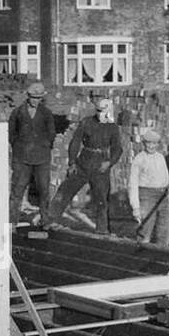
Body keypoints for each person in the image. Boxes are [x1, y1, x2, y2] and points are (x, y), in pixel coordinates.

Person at [46, 97, 124, 234]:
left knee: (102, 200)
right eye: (98, 111)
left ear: (109, 111)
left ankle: (102, 230)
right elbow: (75, 143)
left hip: (101, 166)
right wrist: (71, 163)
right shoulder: (87, 122)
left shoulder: (112, 127)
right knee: (64, 191)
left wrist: (110, 162)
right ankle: (49, 220)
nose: (101, 114)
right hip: (83, 162)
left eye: (104, 111)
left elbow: (118, 149)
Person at [7, 81, 55, 226]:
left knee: (44, 190)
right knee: (17, 190)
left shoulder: (46, 113)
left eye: (39, 98)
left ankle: (45, 220)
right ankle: (12, 221)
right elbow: (11, 133)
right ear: (28, 97)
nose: (36, 100)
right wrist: (18, 147)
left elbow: (51, 133)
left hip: (41, 158)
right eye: (33, 97)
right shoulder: (18, 112)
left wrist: (45, 145)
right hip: (22, 158)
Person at [129, 128, 169, 245]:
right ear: (144, 144)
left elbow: (166, 179)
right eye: (148, 143)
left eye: (154, 143)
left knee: (163, 230)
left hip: (163, 196)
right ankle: (141, 255)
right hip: (147, 195)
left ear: (158, 144)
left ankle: (163, 256)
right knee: (145, 229)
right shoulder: (139, 159)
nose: (151, 146)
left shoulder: (161, 157)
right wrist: (136, 207)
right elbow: (132, 184)